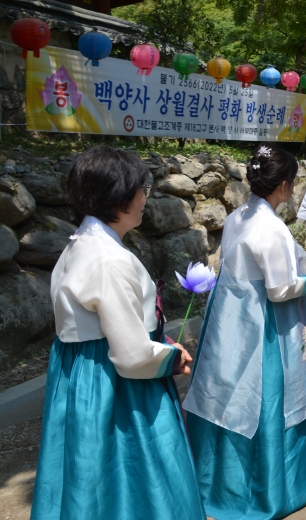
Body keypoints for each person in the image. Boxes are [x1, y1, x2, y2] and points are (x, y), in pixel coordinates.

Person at [32, 146, 203, 520]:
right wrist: (171, 357)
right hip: (116, 387)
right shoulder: (109, 259)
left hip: (83, 380)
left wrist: (158, 338)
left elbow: (104, 323)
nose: (145, 197)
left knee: (86, 479)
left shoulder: (78, 246)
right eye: (141, 189)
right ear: (119, 196)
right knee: (135, 481)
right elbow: (131, 357)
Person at [185, 145, 306, 518]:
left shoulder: (239, 216)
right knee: (267, 399)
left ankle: (213, 482)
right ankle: (266, 490)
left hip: (228, 319)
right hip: (264, 327)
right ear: (284, 186)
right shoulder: (271, 229)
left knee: (222, 395)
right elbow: (280, 289)